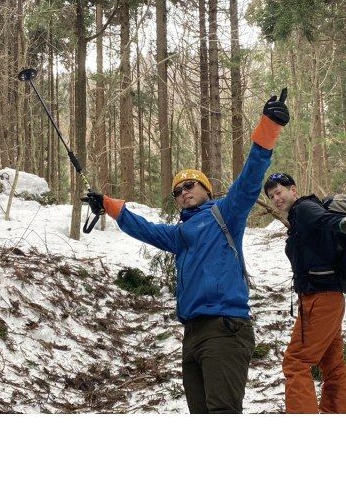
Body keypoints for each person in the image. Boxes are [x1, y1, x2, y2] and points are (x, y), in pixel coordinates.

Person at [82, 90, 290, 413]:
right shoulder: (179, 235)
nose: (183, 192)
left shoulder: (225, 213)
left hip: (225, 328)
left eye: (190, 185)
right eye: (177, 191)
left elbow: (250, 179)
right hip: (192, 333)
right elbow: (144, 229)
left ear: (206, 188)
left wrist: (269, 127)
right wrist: (107, 205)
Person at [263, 173, 346, 414]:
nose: (276, 198)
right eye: (271, 196)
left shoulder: (304, 208)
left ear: (293, 190)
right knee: (332, 363)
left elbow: (326, 221)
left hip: (320, 300)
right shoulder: (298, 218)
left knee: (295, 361)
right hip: (328, 299)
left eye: (279, 192)